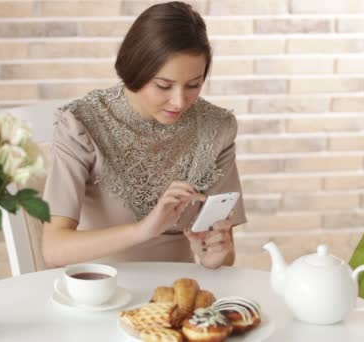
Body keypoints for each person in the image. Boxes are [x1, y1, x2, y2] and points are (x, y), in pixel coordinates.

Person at [41, 1, 246, 270]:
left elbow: (222, 255)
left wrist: (216, 256)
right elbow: (54, 249)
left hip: (178, 293)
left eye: (194, 85)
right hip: (99, 291)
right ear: (135, 69)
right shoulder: (82, 124)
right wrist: (143, 229)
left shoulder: (217, 128)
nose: (179, 101)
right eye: (164, 85)